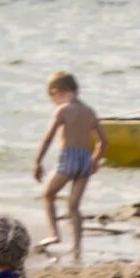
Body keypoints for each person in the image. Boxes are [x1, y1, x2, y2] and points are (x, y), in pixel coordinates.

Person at [32, 71, 107, 258]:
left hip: (69, 158)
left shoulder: (63, 110)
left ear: (55, 92)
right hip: (85, 160)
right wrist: (95, 160)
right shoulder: (89, 112)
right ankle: (77, 247)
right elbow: (103, 141)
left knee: (47, 195)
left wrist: (37, 162)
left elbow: (48, 138)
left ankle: (54, 234)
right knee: (74, 206)